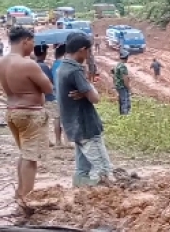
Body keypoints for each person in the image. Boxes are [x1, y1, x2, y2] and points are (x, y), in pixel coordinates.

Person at [0, 27, 53, 205]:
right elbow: (48, 88)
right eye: (33, 42)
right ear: (25, 41)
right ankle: (26, 199)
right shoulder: (27, 64)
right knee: (31, 158)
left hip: (12, 111)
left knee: (24, 154)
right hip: (30, 113)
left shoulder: (3, 62)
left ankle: (20, 192)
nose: (34, 46)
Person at [56, 33, 113, 187]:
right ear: (82, 50)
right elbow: (95, 98)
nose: (89, 55)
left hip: (74, 127)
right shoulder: (75, 71)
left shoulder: (63, 67)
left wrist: (85, 90)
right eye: (89, 51)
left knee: (83, 171)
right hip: (86, 127)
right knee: (104, 170)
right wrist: (89, 88)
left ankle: (79, 198)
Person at [33, 45, 61, 147]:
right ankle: (58, 140)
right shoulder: (44, 67)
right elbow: (50, 81)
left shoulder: (33, 65)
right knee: (57, 116)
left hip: (38, 97)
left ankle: (46, 140)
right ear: (44, 53)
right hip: (48, 96)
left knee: (43, 119)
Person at [112, 50, 131, 115]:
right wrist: (128, 87)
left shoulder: (117, 65)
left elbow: (113, 76)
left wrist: (114, 85)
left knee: (121, 101)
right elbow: (125, 78)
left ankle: (121, 115)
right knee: (125, 101)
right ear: (126, 57)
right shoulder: (123, 66)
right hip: (122, 86)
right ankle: (125, 117)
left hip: (118, 86)